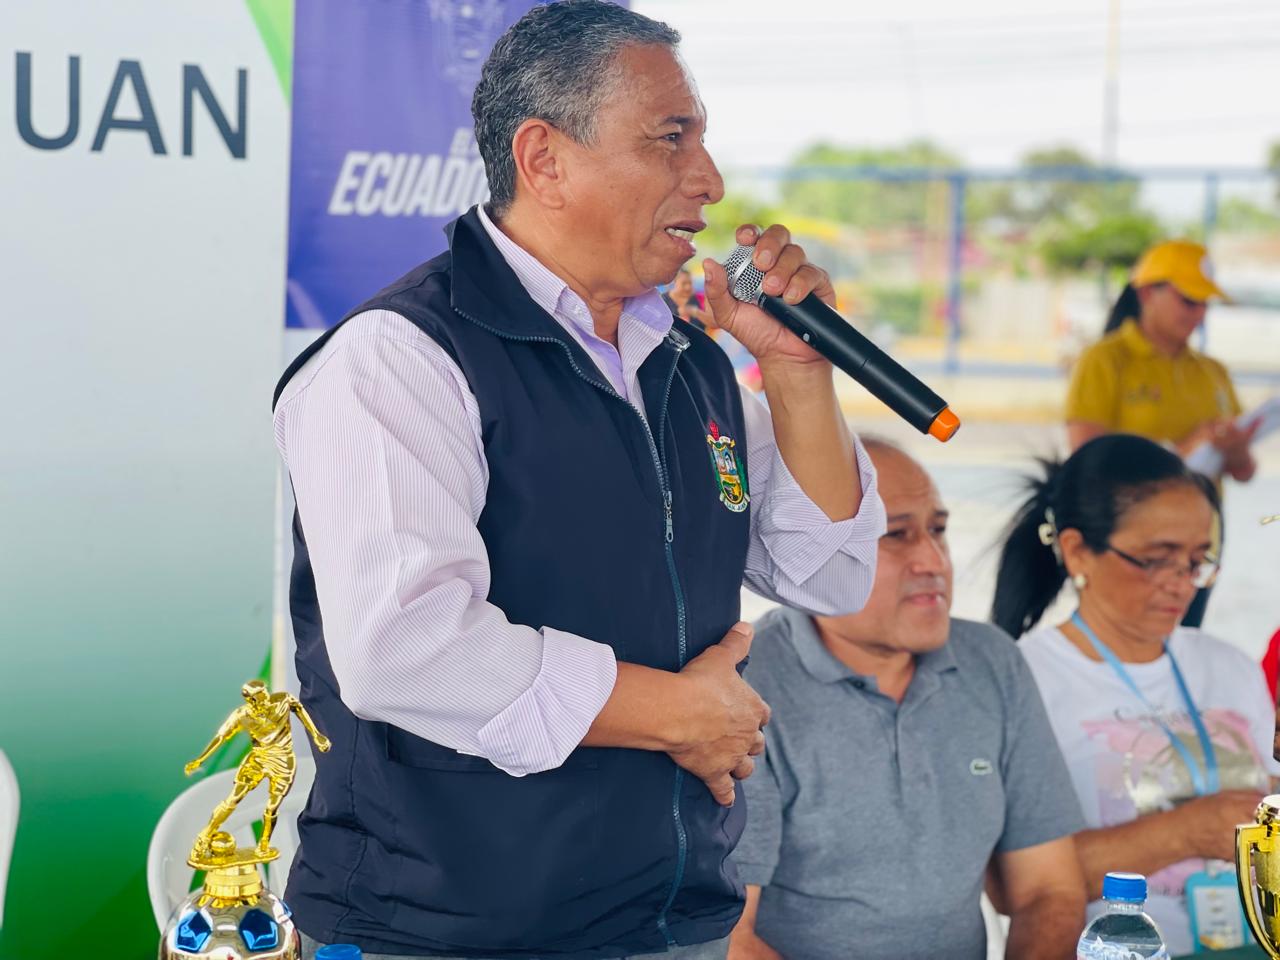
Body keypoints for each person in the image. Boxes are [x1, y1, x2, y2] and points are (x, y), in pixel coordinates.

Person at [271, 4, 886, 959]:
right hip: (448, 930)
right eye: (670, 139)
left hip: (667, 916)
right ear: (544, 159)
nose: (709, 181)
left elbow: (830, 574)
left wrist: (800, 375)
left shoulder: (687, 361)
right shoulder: (401, 356)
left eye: (703, 140)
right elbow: (405, 647)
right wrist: (677, 714)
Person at [729, 440, 1086, 960]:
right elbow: (729, 939)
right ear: (811, 550)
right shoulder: (747, 685)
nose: (933, 560)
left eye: (937, 530)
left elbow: (1048, 891)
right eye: (895, 535)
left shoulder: (992, 662)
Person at [991, 434, 1279, 956]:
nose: (1183, 584)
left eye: (1197, 561)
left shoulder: (1229, 666)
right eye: (1157, 559)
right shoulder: (1022, 680)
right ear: (1078, 551)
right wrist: (1185, 832)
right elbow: (1011, 886)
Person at [1064, 239, 1257, 626]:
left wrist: (1235, 448)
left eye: (1205, 304)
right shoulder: (1105, 360)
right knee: (1123, 638)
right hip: (1129, 541)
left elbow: (1245, 471)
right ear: (1147, 293)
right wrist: (1181, 451)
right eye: (1189, 301)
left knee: (1181, 637)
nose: (1198, 313)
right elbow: (1087, 459)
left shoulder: (1212, 371)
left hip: (1200, 541)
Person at [183, 680, 331, 856]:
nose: (265, 702)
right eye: (260, 700)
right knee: (233, 798)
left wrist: (316, 735)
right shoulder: (241, 716)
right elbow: (220, 738)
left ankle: (264, 843)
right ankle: (205, 835)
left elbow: (299, 709)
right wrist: (200, 759)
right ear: (250, 701)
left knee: (272, 807)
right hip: (259, 758)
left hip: (283, 761)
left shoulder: (282, 700)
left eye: (265, 696)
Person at [665, 266, 715, 332]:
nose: (688, 287)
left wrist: (694, 312)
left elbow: (714, 323)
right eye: (684, 283)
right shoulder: (663, 300)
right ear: (675, 282)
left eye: (690, 283)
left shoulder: (700, 298)